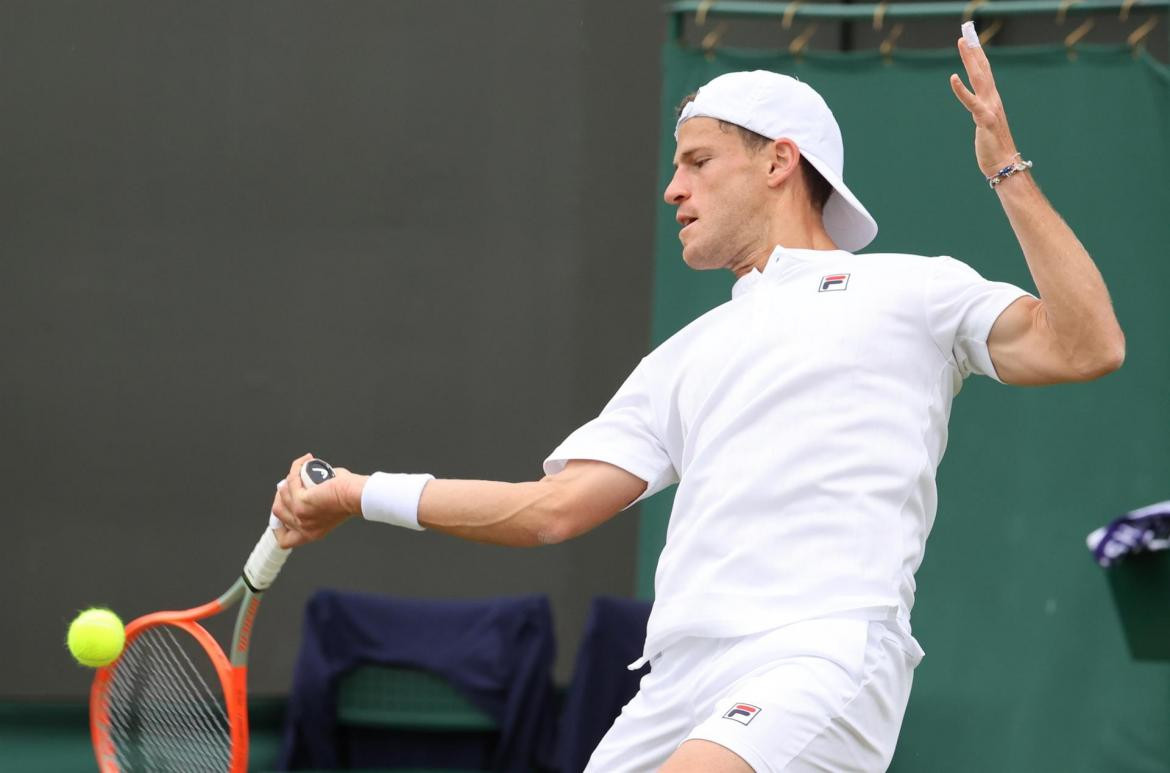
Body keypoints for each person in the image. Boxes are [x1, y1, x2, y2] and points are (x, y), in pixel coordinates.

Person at [271, 37, 1124, 773]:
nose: (672, 188)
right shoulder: (681, 358)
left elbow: (1087, 346)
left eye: (697, 160)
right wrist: (355, 490)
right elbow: (549, 511)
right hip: (677, 681)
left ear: (778, 161)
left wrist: (1007, 174)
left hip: (817, 654)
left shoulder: (912, 289)